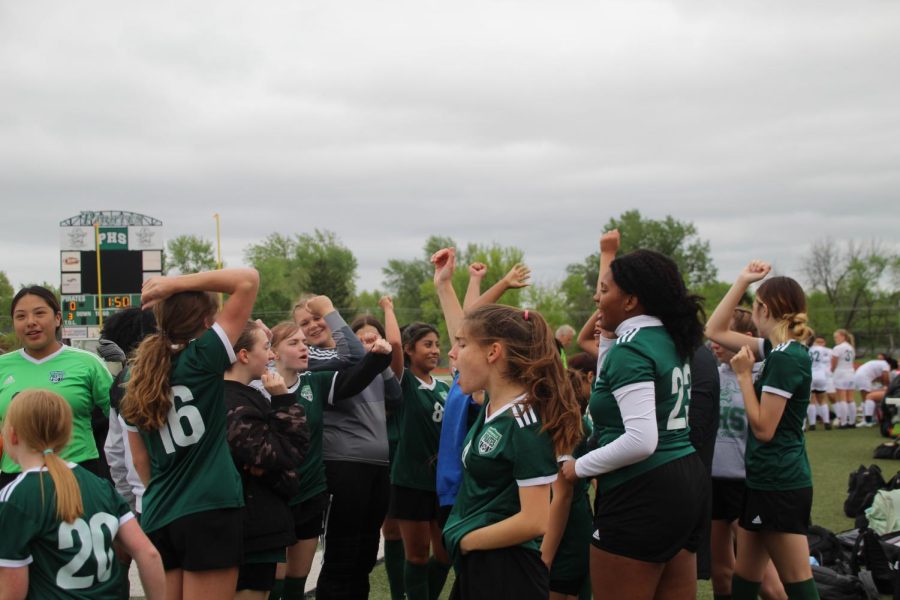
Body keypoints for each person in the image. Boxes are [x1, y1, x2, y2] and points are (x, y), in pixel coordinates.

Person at [561, 249, 708, 600]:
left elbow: (642, 440)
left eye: (605, 290)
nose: (598, 298)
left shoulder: (634, 348)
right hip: (685, 477)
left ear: (630, 300)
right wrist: (609, 340)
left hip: (643, 485)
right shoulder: (669, 337)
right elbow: (612, 388)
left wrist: (577, 468)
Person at [120, 267, 260, 599]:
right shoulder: (202, 357)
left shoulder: (136, 376)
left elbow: (141, 462)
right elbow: (247, 279)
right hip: (208, 505)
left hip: (159, 510)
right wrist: (175, 283)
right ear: (206, 320)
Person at [443, 304, 583, 600]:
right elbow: (469, 329)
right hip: (483, 563)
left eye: (461, 345)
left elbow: (535, 521)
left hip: (507, 571)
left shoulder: (524, 423)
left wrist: (466, 540)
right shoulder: (493, 404)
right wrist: (443, 285)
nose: (452, 353)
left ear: (493, 352)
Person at [706, 260, 819, 600]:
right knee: (745, 575)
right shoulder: (777, 349)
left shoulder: (785, 358)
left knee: (797, 579)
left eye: (753, 304)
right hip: (762, 479)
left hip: (779, 482)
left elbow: (764, 429)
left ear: (764, 310)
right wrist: (742, 280)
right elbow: (714, 329)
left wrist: (743, 376)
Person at [260, 320, 392, 600]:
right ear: (274, 351)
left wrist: (379, 356)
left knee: (298, 577)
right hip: (271, 497)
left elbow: (355, 377)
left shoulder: (314, 382)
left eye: (304, 343)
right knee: (273, 580)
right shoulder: (256, 386)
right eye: (293, 343)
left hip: (310, 492)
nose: (303, 348)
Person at [0, 389, 165, 599]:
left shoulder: (17, 497)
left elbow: (12, 590)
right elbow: (148, 554)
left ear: (12, 435)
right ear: (66, 434)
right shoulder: (100, 486)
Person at [224, 320, 310, 600]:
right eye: (265, 347)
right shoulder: (237, 401)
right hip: (251, 523)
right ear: (244, 355)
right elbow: (290, 453)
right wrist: (284, 400)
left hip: (247, 520)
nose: (272, 355)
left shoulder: (233, 394)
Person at [708, 308, 786, 600]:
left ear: (746, 338)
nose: (715, 342)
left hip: (747, 484)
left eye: (723, 335)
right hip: (714, 483)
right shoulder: (712, 376)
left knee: (767, 583)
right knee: (721, 576)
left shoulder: (766, 375)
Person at [0, 286, 113, 487]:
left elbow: (120, 418)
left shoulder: (88, 363)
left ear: (58, 318)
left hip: (80, 475)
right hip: (15, 479)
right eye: (21, 316)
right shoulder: (3, 366)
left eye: (39, 313)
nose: (30, 322)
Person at [389, 321, 452, 600]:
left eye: (437, 344)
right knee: (416, 557)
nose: (435, 350)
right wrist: (389, 309)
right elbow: (392, 346)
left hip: (442, 483)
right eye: (428, 344)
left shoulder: (444, 387)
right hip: (411, 482)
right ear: (409, 349)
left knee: (444, 554)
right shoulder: (405, 383)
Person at [351, 307, 406, 600]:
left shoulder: (388, 374)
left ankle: (398, 593)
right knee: (356, 536)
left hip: (390, 458)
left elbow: (396, 346)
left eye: (373, 340)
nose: (369, 346)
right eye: (361, 340)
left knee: (389, 532)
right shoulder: (342, 372)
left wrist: (387, 309)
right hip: (355, 462)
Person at [542, 368, 594, 600]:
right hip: (577, 519)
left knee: (559, 588)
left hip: (566, 527)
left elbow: (562, 496)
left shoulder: (570, 429)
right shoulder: (582, 425)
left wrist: (545, 557)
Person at [855, 356, 897, 427]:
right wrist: (886, 386)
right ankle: (868, 420)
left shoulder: (881, 364)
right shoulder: (886, 365)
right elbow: (885, 378)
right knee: (867, 398)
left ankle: (869, 419)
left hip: (859, 376)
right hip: (863, 377)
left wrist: (885, 386)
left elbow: (881, 378)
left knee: (868, 398)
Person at [831, 329, 856, 428]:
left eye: (836, 337)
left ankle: (844, 422)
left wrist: (831, 370)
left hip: (841, 373)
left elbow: (834, 363)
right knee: (850, 398)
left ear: (843, 336)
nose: (835, 339)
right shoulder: (851, 347)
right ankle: (852, 422)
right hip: (851, 373)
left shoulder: (838, 348)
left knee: (842, 399)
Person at [808, 337, 833, 431]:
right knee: (822, 400)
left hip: (810, 375)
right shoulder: (823, 349)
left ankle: (812, 424)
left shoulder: (806, 348)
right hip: (821, 375)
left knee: (811, 400)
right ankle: (826, 422)